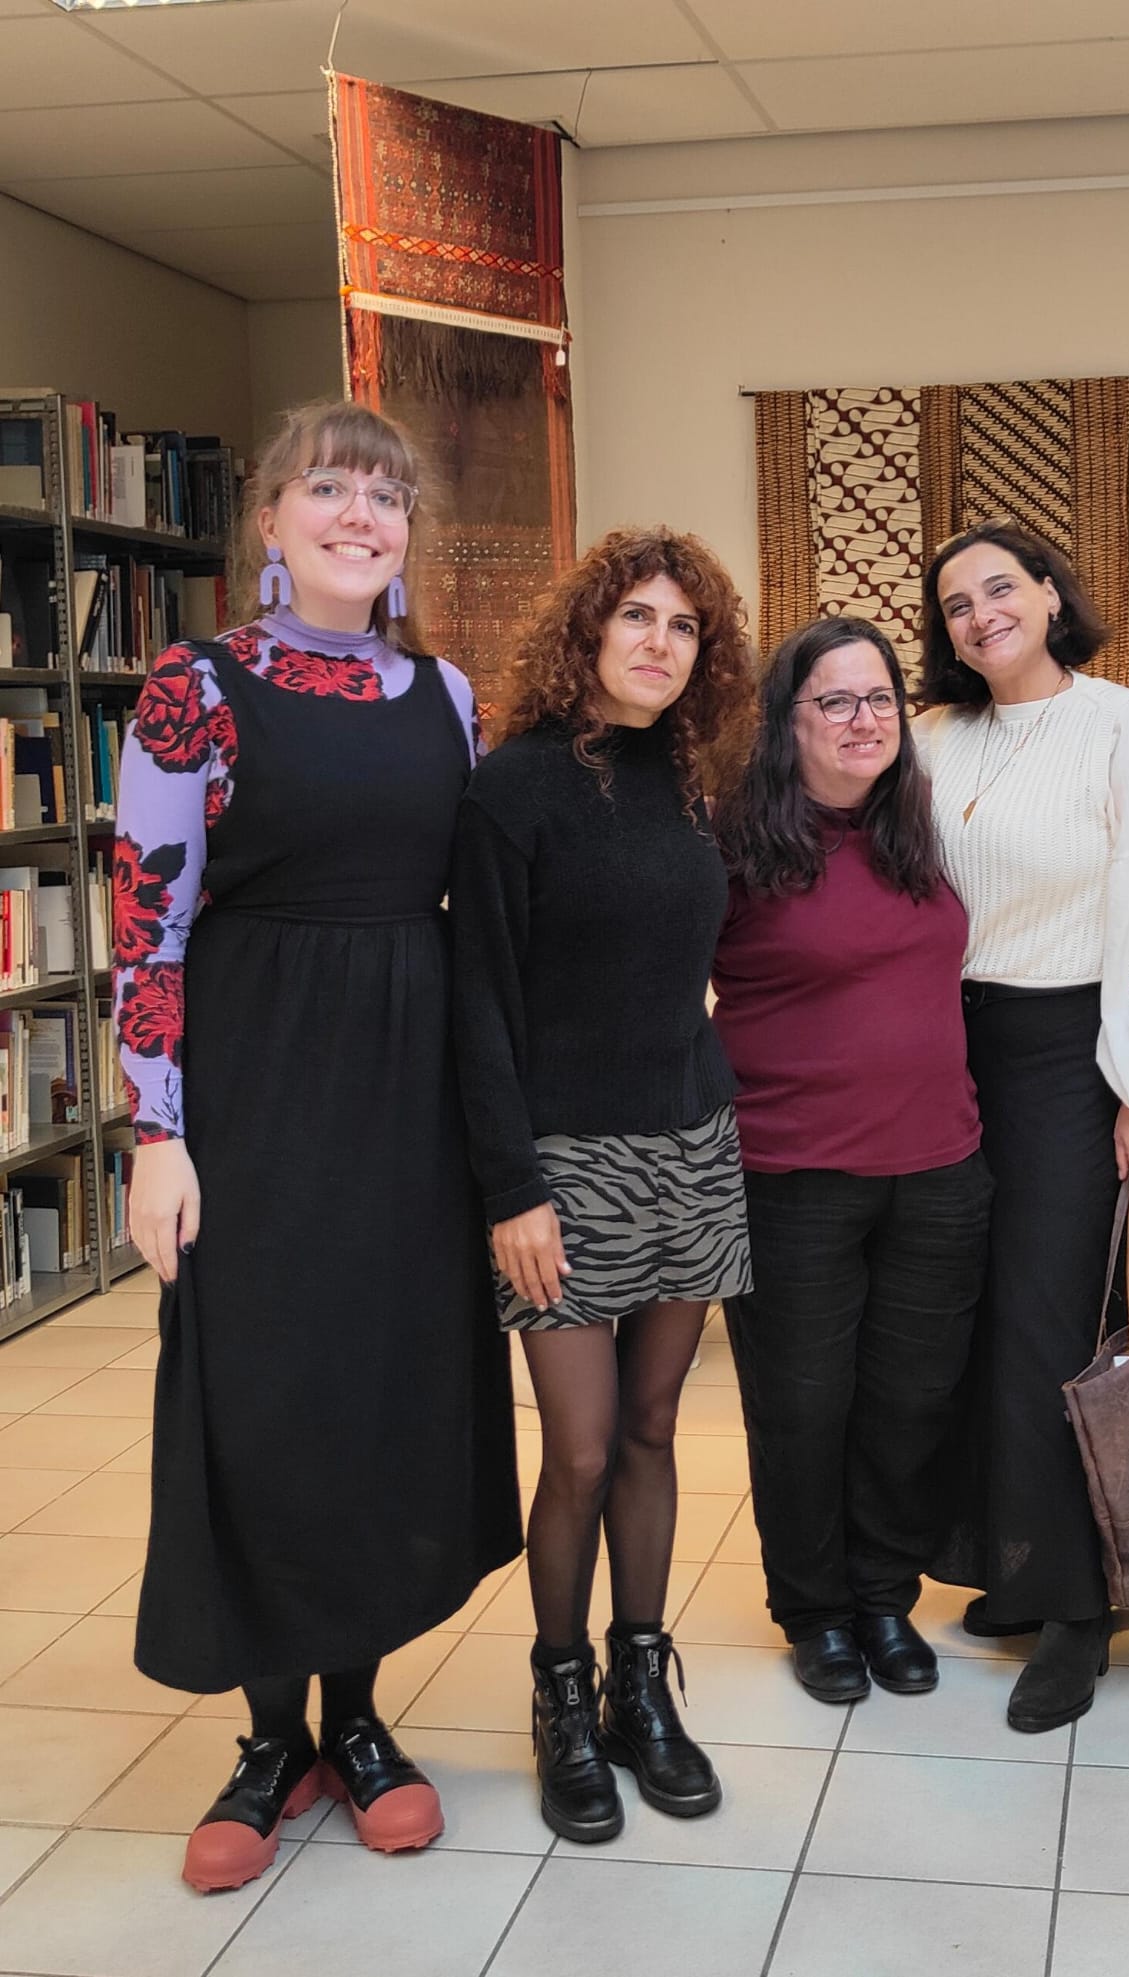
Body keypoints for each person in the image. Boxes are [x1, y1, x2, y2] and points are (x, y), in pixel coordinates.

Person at [117, 400, 522, 1893]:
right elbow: (148, 916)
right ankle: (269, 1735)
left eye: (387, 496)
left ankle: (356, 1720)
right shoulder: (196, 684)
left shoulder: (446, 694)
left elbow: (479, 903)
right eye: (331, 488)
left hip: (409, 1100)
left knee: (382, 1398)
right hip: (256, 1092)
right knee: (264, 1399)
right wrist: (155, 1133)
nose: (362, 515)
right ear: (272, 518)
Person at [450, 527, 756, 1842]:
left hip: (689, 1142)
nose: (659, 643)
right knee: (576, 1447)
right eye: (637, 616)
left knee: (650, 1429)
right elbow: (477, 1001)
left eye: (684, 627)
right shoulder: (512, 786)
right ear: (587, 631)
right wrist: (510, 1188)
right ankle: (561, 1694)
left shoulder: (691, 781)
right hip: (561, 1165)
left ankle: (641, 1682)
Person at [914, 522, 1129, 1734]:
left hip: (1063, 1055)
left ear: (1046, 595)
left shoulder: (1119, 725)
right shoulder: (932, 736)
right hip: (944, 1050)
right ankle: (1021, 1562)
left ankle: (1080, 1608)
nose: (981, 613)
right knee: (976, 1320)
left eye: (1001, 587)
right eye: (956, 603)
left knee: (1052, 1326)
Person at [713, 616, 990, 1706]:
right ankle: (815, 1609)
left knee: (909, 1403)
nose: (864, 719)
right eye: (834, 700)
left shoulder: (917, 829)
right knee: (802, 1407)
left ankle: (882, 1596)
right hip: (791, 1177)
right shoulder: (734, 844)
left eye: (880, 699)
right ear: (785, 722)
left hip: (939, 1169)